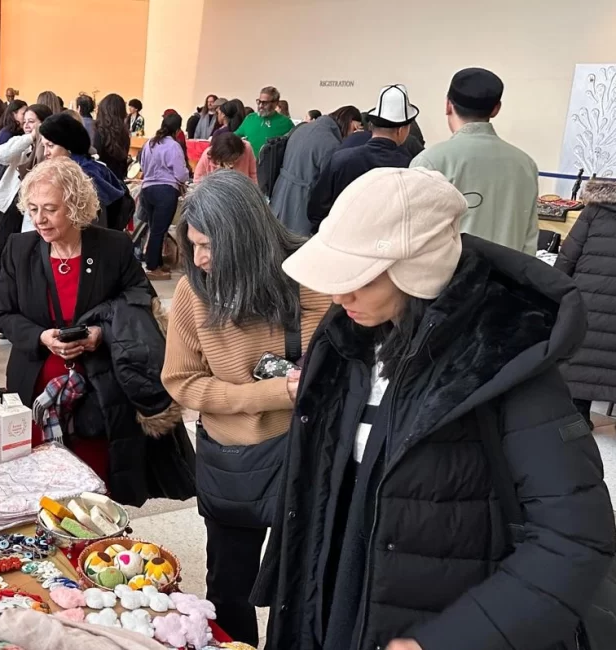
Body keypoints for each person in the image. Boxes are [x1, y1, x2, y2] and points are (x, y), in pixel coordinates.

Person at [261, 166, 615, 650]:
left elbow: (574, 539)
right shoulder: (347, 338)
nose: (340, 296)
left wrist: (444, 641)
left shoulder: (504, 364)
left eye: (360, 277)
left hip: (431, 621)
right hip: (334, 608)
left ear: (418, 269)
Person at [162, 170, 331, 645]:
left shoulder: (311, 280)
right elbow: (181, 382)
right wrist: (271, 394)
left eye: (209, 245)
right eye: (192, 245)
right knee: (228, 586)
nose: (199, 259)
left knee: (298, 586)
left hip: (305, 459)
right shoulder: (193, 293)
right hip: (232, 464)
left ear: (246, 238)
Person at [0, 157, 196, 506]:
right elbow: (3, 314)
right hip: (38, 385)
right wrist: (41, 337)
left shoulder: (113, 247)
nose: (39, 219)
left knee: (98, 486)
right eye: (34, 208)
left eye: (51, 209)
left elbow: (140, 300)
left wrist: (100, 333)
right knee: (44, 488)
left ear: (75, 206)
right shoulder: (18, 248)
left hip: (100, 390)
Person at [411, 68, 539, 254]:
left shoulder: (430, 162)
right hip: (509, 280)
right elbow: (529, 241)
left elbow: (413, 240)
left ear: (448, 105)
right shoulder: (526, 165)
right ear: (496, 109)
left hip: (452, 280)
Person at [307, 85, 417, 234]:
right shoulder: (407, 166)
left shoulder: (341, 159)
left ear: (371, 125)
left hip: (340, 242)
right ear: (401, 129)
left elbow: (316, 211)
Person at [555, 177, 616, 429]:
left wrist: (555, 287)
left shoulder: (594, 211)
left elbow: (569, 254)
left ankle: (580, 415)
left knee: (584, 356)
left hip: (590, 297)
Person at [270, 105, 363, 235]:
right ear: (349, 121)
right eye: (354, 129)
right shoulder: (331, 143)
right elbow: (329, 188)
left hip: (279, 195)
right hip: (302, 205)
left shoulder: (303, 128)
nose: (353, 134)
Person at [39, 113, 129, 230]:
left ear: (68, 145)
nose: (46, 152)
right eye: (43, 147)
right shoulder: (90, 167)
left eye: (50, 146)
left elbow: (94, 227)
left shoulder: (82, 177)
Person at [0, 103, 52, 266]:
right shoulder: (21, 141)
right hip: (11, 206)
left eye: (31, 121)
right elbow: (0, 156)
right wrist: (31, 137)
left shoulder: (50, 147)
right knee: (4, 254)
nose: (26, 125)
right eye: (24, 121)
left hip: (32, 210)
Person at [138, 111, 190, 281]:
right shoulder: (173, 145)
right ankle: (153, 266)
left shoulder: (149, 144)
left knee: (155, 228)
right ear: (177, 130)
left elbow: (143, 166)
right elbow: (181, 174)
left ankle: (157, 262)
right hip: (165, 191)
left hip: (147, 189)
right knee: (159, 230)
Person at [234, 86, 294, 157]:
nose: (260, 105)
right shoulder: (250, 119)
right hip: (250, 164)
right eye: (259, 101)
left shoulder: (286, 123)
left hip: (272, 165)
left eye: (265, 103)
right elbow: (235, 137)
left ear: (275, 103)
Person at [93, 94, 131, 180]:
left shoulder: (99, 132)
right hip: (117, 182)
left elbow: (95, 158)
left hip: (101, 181)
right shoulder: (124, 134)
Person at [193, 132, 258, 183]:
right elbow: (197, 180)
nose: (232, 164)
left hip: (242, 192)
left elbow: (253, 174)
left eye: (235, 159)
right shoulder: (208, 155)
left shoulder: (246, 148)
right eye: (229, 162)